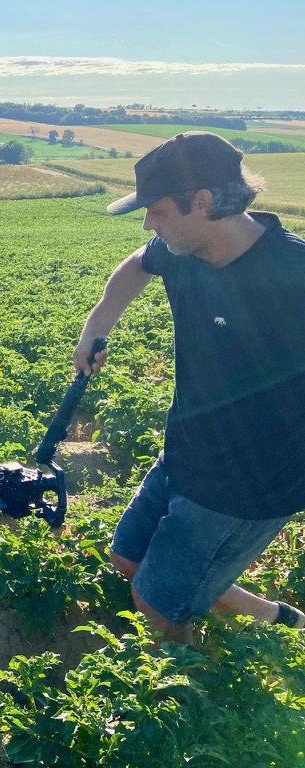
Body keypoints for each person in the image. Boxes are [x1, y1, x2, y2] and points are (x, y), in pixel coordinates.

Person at [74, 131, 305, 643]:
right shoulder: (180, 247)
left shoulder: (293, 276)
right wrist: (97, 328)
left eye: (156, 210)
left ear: (201, 202)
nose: (148, 224)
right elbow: (135, 266)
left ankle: (191, 705)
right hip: (185, 453)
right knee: (127, 559)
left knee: (155, 606)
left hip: (246, 487)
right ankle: (270, 614)